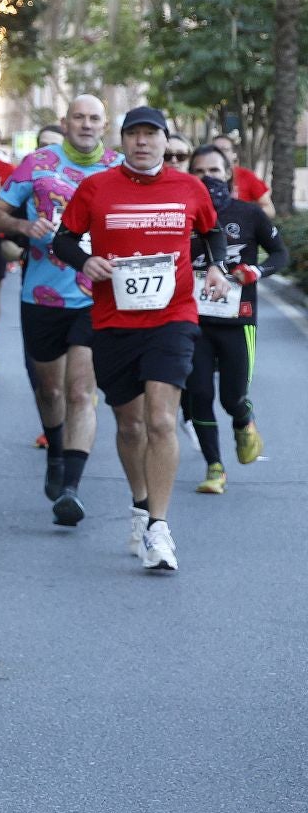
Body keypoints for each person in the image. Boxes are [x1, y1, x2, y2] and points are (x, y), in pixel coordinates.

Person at [52, 106, 230, 572]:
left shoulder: (189, 187)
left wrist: (215, 266)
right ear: (123, 140)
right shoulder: (96, 187)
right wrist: (84, 262)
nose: (142, 142)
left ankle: (159, 525)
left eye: (151, 135)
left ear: (165, 142)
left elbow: (212, 233)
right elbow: (63, 240)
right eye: (134, 134)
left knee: (161, 421)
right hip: (114, 322)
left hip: (174, 317)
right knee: (129, 426)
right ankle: (139, 502)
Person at [0, 94, 116, 524]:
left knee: (80, 391)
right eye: (78, 117)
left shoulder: (118, 167)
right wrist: (23, 225)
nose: (86, 124)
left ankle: (71, 488)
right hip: (41, 295)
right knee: (51, 391)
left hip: (97, 296)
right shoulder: (38, 163)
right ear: (65, 121)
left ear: (104, 124)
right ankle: (55, 452)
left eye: (94, 118)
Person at [185, 144, 286, 493]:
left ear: (228, 173)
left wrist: (255, 271)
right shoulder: (181, 214)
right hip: (192, 319)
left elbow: (280, 253)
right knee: (197, 393)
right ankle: (215, 467)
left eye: (214, 171)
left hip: (238, 320)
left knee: (231, 397)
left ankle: (244, 419)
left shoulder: (248, 214)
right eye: (199, 171)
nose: (207, 177)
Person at [210, 134, 276, 218]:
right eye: (215, 150)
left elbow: (270, 210)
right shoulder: (203, 176)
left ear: (234, 154)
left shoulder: (246, 176)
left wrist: (244, 212)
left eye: (224, 150)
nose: (219, 153)